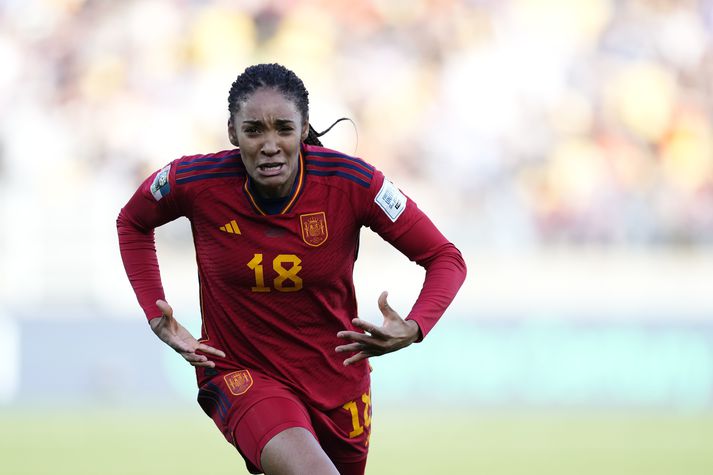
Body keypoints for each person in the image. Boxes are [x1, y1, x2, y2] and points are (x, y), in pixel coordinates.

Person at [117, 63, 466, 475]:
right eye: (254, 131)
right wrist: (157, 316)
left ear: (303, 130)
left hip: (338, 386)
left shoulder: (351, 183)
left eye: (283, 128)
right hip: (242, 376)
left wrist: (414, 326)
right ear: (232, 132)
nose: (269, 145)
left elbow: (445, 258)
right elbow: (133, 222)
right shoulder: (194, 182)